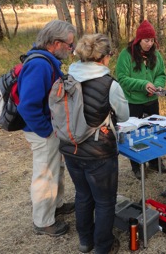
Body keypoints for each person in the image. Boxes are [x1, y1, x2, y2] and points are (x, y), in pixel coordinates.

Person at [59, 33, 129, 254]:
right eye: (110, 55)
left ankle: (85, 241)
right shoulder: (110, 84)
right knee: (105, 201)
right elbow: (125, 116)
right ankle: (103, 246)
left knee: (82, 195)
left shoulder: (65, 78)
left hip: (71, 149)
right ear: (104, 57)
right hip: (99, 153)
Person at [17, 20, 76, 237]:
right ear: (55, 43)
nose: (71, 49)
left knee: (55, 169)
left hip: (49, 128)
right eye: (69, 45)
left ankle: (57, 204)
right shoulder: (40, 65)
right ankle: (43, 221)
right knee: (45, 173)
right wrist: (46, 131)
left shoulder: (47, 61)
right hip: (41, 131)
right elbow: (27, 105)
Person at [115, 19, 166, 180]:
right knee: (134, 135)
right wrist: (143, 84)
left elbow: (161, 74)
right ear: (138, 40)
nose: (149, 44)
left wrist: (158, 86)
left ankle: (154, 161)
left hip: (152, 101)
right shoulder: (126, 55)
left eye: (152, 40)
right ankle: (137, 165)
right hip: (133, 102)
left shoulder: (156, 54)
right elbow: (122, 79)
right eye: (146, 40)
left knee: (154, 131)